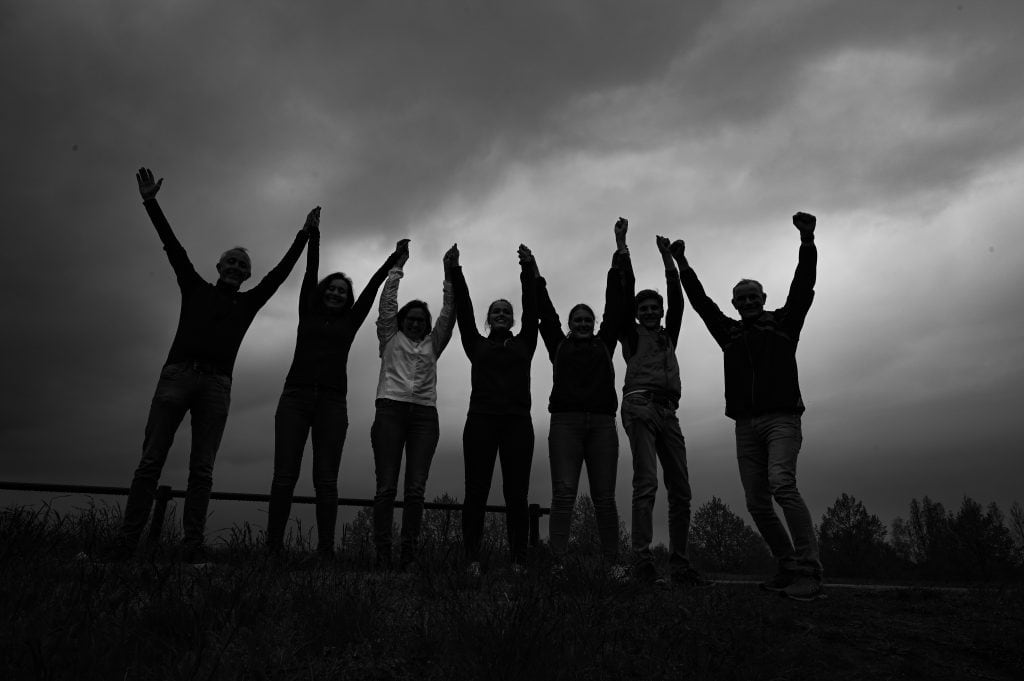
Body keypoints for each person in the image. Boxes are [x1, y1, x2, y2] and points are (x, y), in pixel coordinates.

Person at [115, 167, 312, 563]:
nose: (237, 268)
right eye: (231, 262)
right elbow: (173, 248)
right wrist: (151, 202)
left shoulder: (248, 302)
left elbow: (280, 274)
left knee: (202, 469)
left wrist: (304, 235)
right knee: (151, 461)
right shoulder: (194, 287)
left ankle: (191, 546)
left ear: (247, 276)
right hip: (177, 377)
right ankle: (125, 544)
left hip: (217, 386)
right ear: (219, 266)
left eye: (243, 266)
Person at [673, 212, 822, 600]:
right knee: (757, 502)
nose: (748, 302)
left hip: (782, 420)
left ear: (764, 299)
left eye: (754, 296)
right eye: (741, 299)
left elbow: (803, 286)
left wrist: (807, 242)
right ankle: (787, 565)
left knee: (782, 485)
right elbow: (701, 304)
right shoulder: (729, 333)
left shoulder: (785, 324)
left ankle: (809, 569)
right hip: (745, 424)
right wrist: (682, 264)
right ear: (735, 304)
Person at [265, 219, 407, 559]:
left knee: (326, 480)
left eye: (341, 291)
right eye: (331, 288)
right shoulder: (307, 313)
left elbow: (373, 287)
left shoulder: (351, 320)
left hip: (331, 402)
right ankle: (272, 550)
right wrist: (314, 236)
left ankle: (325, 552)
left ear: (347, 299)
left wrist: (395, 258)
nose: (335, 293)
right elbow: (309, 272)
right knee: (285, 477)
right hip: (295, 398)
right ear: (322, 292)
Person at [617, 222, 709, 586]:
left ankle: (680, 564)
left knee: (681, 490)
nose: (652, 311)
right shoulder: (631, 334)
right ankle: (641, 560)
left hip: (669, 411)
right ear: (638, 313)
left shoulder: (668, 334)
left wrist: (668, 260)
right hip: (640, 405)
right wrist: (623, 245)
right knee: (647, 483)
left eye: (655, 307)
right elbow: (623, 297)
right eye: (646, 308)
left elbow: (678, 301)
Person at [535, 219, 628, 577]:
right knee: (563, 495)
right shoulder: (558, 345)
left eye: (588, 319)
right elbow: (545, 311)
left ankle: (612, 565)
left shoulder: (605, 344)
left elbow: (615, 306)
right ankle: (557, 562)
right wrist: (535, 271)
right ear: (570, 323)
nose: (583, 322)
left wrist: (617, 254)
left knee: (605, 498)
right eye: (578, 319)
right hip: (566, 424)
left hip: (603, 425)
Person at [451, 243, 539, 575]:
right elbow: (463, 309)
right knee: (476, 491)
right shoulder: (476, 344)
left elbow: (532, 307)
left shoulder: (525, 342)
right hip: (481, 422)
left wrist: (527, 268)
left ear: (512, 319)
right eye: (496, 312)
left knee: (516, 494)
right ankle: (472, 559)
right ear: (489, 320)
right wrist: (457, 271)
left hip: (517, 422)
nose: (501, 315)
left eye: (506, 312)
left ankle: (518, 561)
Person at [370, 243, 457, 570]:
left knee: (416, 490)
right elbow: (387, 303)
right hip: (390, 410)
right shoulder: (389, 336)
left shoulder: (434, 344)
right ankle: (382, 555)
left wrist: (449, 275)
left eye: (423, 320)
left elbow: (449, 313)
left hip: (424, 416)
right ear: (403, 320)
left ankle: (408, 555)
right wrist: (397, 265)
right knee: (386, 488)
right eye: (413, 319)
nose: (418, 324)